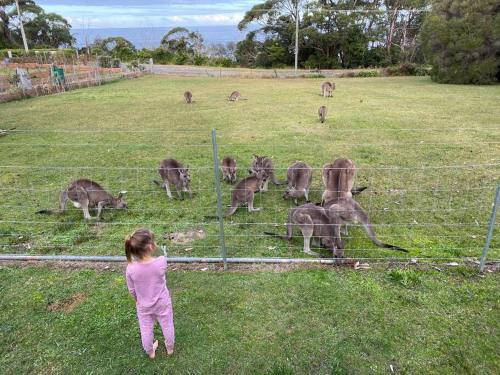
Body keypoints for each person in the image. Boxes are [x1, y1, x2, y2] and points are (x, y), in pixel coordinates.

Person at [125, 228, 174, 358]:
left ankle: (150, 352)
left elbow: (131, 289)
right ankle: (170, 348)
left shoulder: (130, 268)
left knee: (145, 328)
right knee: (167, 323)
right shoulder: (162, 261)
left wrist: (137, 299)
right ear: (151, 247)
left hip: (143, 305)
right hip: (162, 302)